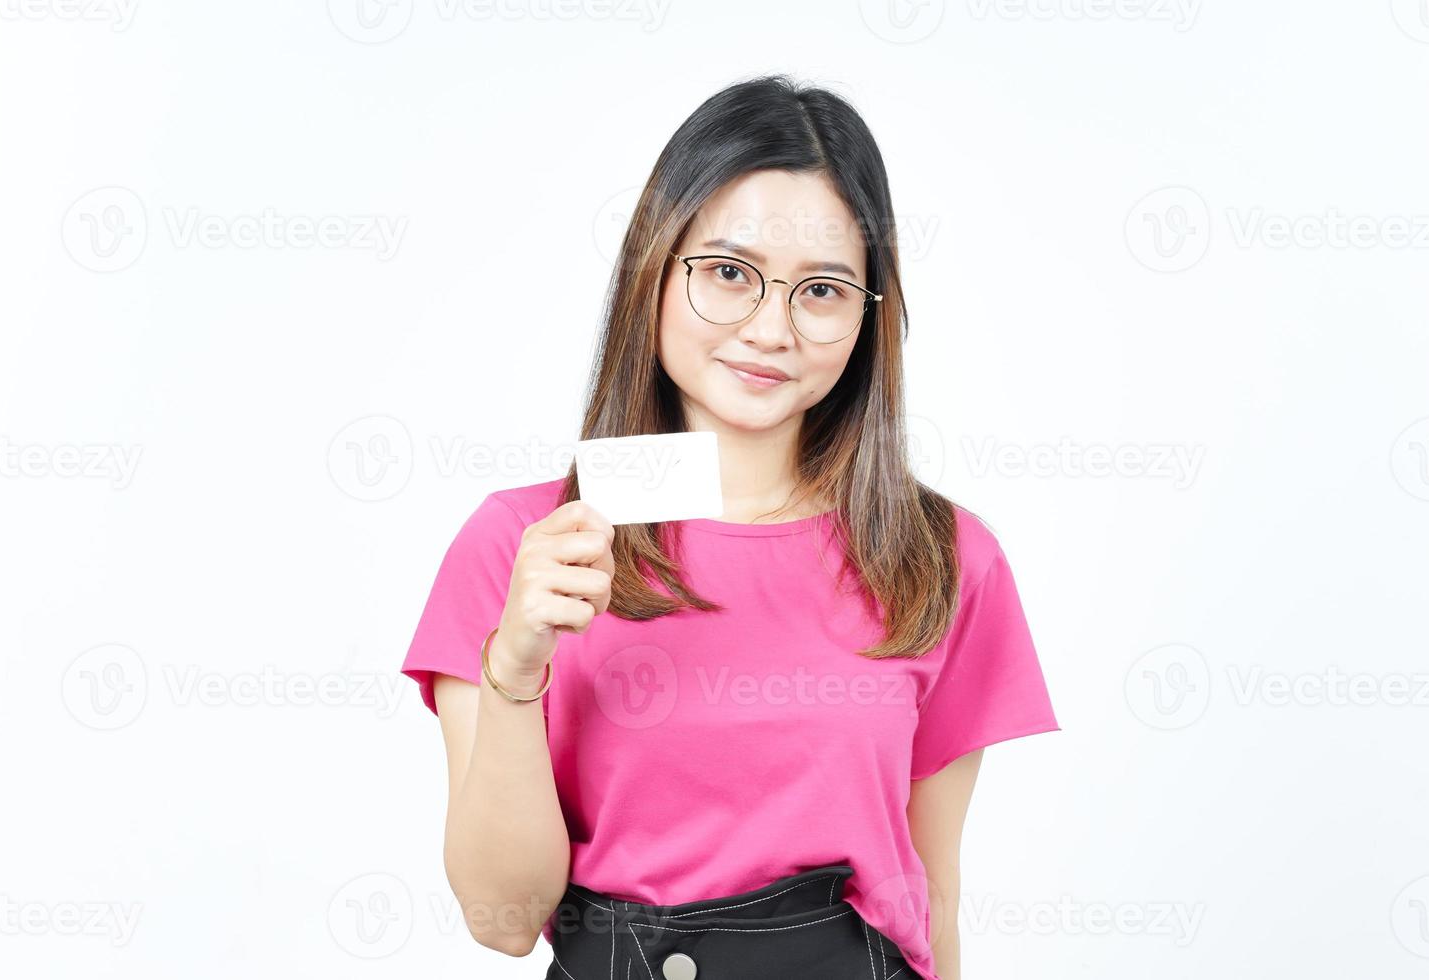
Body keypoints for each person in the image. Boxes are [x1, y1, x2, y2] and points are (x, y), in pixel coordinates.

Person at [400, 73, 1060, 980]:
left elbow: (933, 901)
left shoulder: (940, 560)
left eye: (821, 290)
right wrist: (515, 673)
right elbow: (503, 922)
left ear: (869, 319)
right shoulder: (525, 547)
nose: (769, 328)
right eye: (727, 273)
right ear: (654, 268)